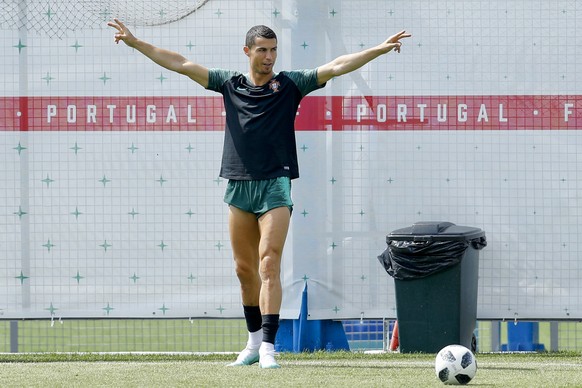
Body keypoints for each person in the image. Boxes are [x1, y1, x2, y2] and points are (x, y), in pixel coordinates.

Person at [108, 18, 410, 368]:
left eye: (274, 50)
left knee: (269, 261)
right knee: (244, 269)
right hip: (238, 186)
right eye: (263, 50)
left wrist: (378, 49)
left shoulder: (291, 84)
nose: (269, 57)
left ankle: (269, 347)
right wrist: (136, 43)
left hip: (275, 186)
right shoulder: (228, 84)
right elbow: (180, 63)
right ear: (247, 51)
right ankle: (252, 344)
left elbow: (337, 65)